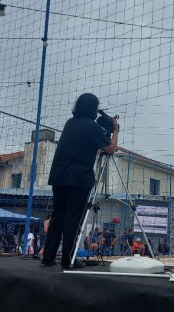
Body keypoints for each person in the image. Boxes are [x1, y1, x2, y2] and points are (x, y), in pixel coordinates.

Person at [41, 93, 119, 269]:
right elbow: (111, 148)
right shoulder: (92, 126)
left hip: (59, 176)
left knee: (58, 216)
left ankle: (48, 257)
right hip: (79, 178)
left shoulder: (70, 123)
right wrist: (115, 129)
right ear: (93, 108)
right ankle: (69, 260)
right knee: (73, 219)